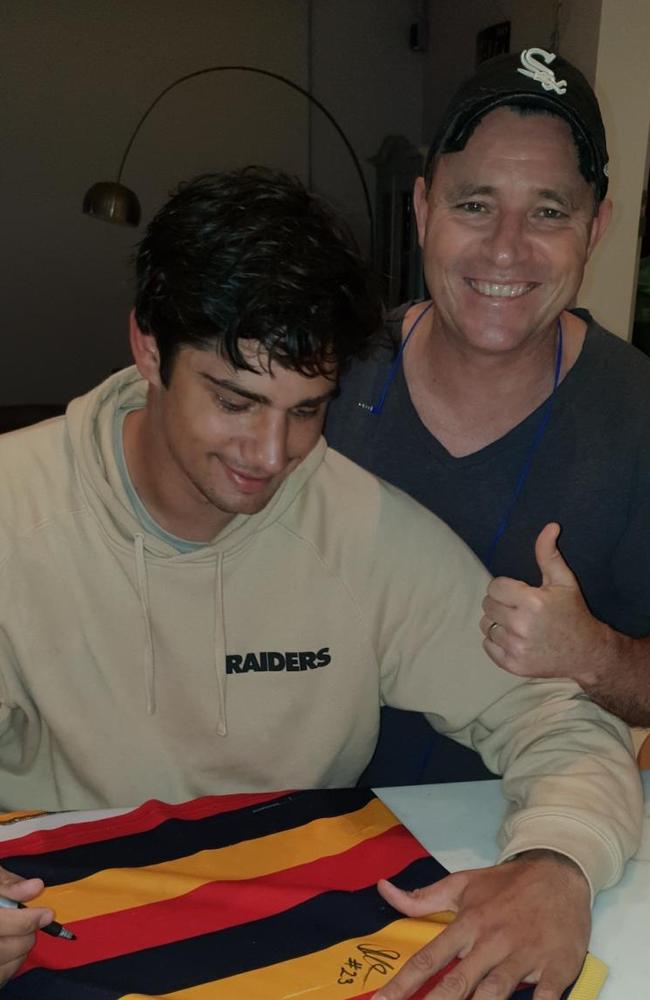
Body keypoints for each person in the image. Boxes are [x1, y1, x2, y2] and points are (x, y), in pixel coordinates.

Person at [0, 168, 641, 998]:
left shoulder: (365, 531)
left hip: (288, 950)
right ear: (148, 348)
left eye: (306, 410)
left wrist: (558, 863)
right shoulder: (16, 514)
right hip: (60, 933)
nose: (270, 457)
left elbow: (554, 717)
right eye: (235, 401)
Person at [326, 47, 650, 790]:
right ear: (421, 208)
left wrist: (593, 654)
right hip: (307, 824)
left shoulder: (637, 417)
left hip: (537, 829)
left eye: (548, 211)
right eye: (474, 204)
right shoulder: (328, 382)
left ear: (596, 228)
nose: (506, 248)